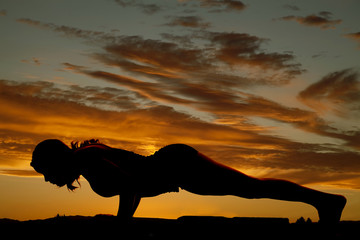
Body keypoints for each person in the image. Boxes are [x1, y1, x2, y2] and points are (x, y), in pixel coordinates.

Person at [31, 139, 346, 223]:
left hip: (177, 164)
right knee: (250, 190)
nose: (47, 179)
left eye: (45, 172)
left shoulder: (88, 158)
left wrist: (121, 225)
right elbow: (132, 183)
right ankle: (325, 202)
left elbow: (129, 186)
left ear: (56, 161)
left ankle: (326, 201)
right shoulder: (87, 161)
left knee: (251, 188)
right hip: (175, 168)